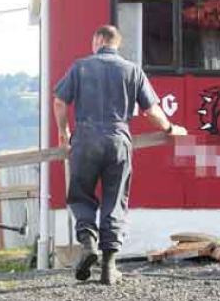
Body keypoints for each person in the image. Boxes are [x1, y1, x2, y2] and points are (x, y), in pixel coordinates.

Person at [53, 24, 186, 285]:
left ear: (99, 40)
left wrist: (63, 131)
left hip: (85, 139)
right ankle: (109, 268)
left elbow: (60, 101)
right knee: (114, 200)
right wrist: (171, 128)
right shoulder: (132, 70)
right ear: (116, 43)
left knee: (80, 196)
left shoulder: (80, 67)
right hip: (118, 140)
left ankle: (89, 245)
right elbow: (151, 111)